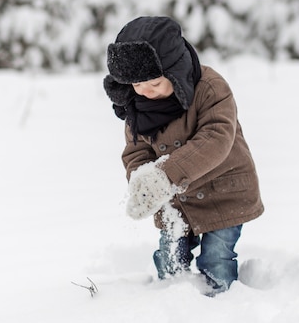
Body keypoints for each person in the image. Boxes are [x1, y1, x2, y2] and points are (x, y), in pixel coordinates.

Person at [103, 16, 264, 295]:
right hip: (176, 201)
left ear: (173, 69)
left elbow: (216, 138)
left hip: (223, 193)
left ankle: (223, 304)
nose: (145, 92)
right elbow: (136, 149)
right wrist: (143, 181)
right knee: (169, 259)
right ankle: (173, 300)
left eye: (154, 83)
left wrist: (164, 175)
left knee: (216, 258)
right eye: (137, 85)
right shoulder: (136, 105)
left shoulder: (210, 88)